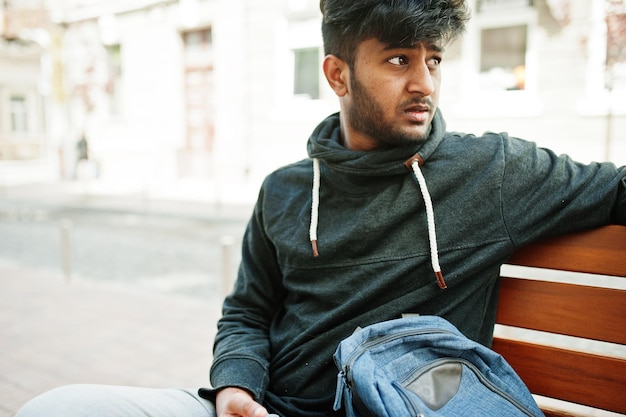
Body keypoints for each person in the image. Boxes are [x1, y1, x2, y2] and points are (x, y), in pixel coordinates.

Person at [16, 1, 626, 416]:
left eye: (432, 59)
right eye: (398, 60)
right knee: (54, 407)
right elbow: (248, 313)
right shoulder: (285, 191)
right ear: (337, 74)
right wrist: (235, 386)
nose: (426, 84)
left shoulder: (490, 173)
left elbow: (616, 187)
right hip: (263, 406)